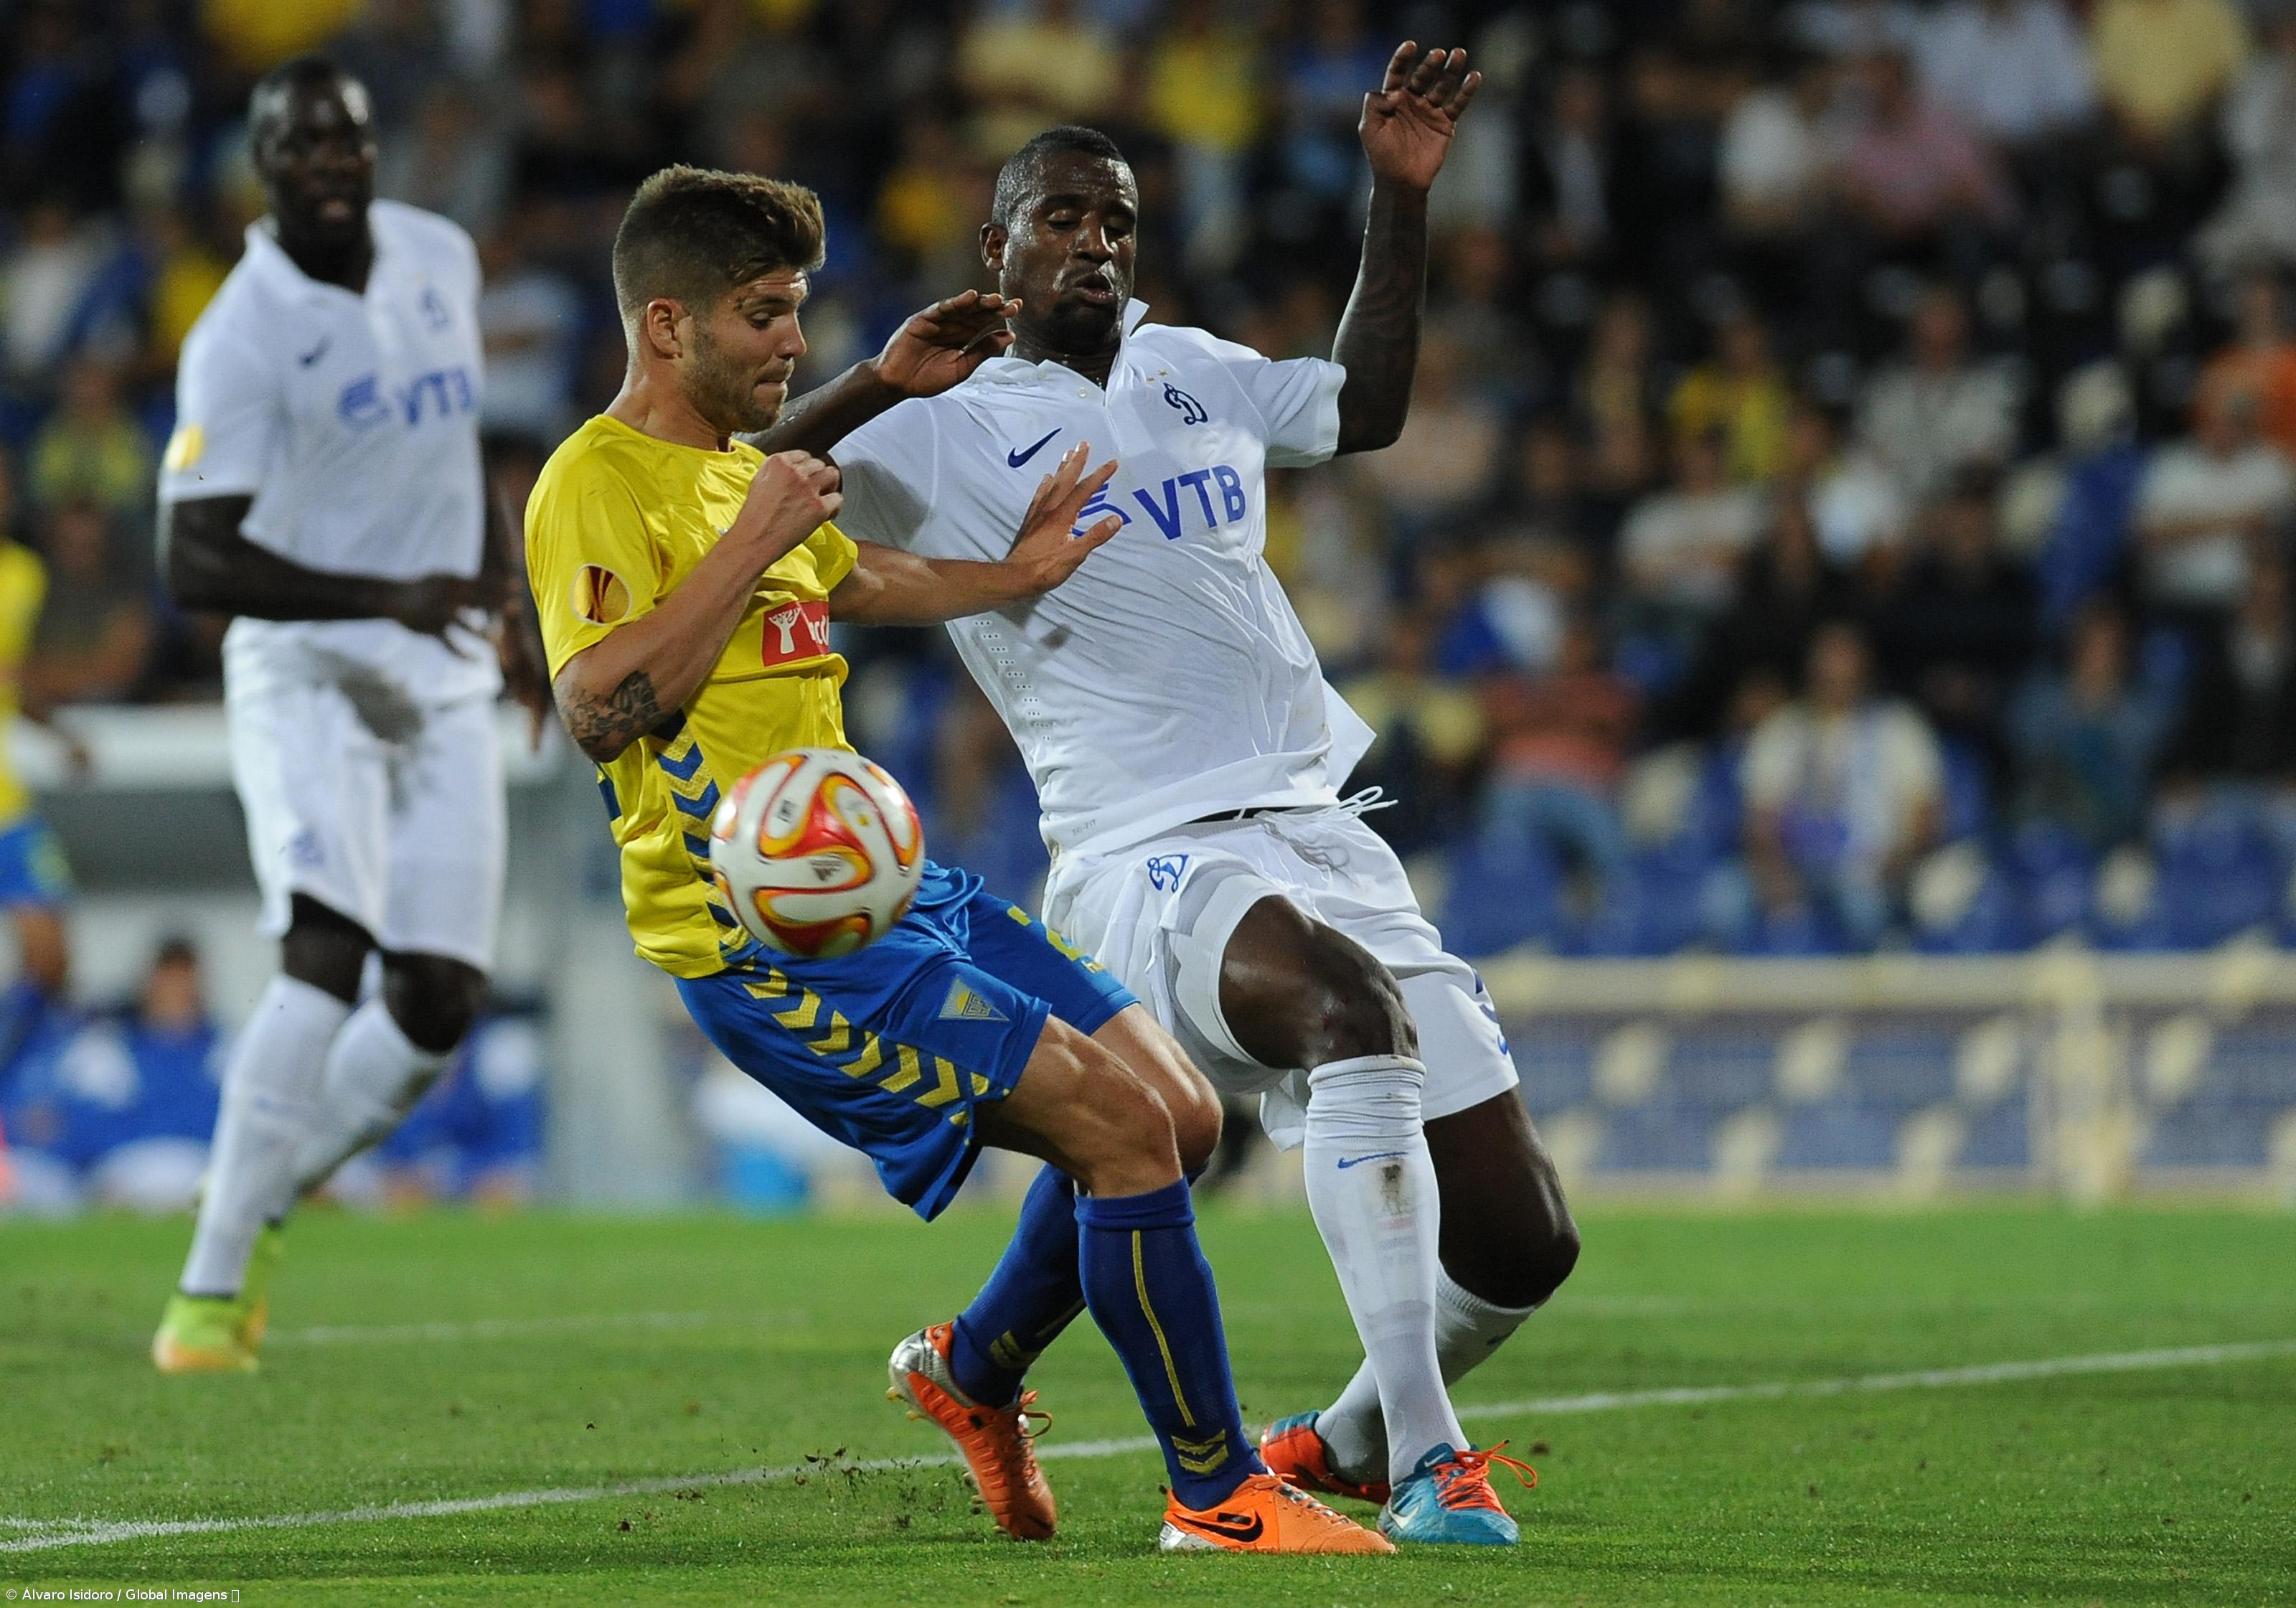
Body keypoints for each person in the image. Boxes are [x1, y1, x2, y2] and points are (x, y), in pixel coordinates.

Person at [526, 164, 1383, 1556]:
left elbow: (859, 579)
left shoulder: (736, 477)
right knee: (1115, 1133)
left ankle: (971, 1369)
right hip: (772, 936)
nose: (788, 341)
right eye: (761, 314)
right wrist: (753, 539)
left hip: (892, 881)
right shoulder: (598, 482)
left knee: (1182, 1118)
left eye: (797, 311)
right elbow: (602, 704)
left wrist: (1014, 571)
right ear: (667, 323)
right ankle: (1216, 1492)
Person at [820, 45, 1576, 1548]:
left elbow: (1361, 409)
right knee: (1340, 1016)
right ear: (996, 249)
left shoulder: (1198, 367)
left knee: (1519, 1240)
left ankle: (1340, 1437)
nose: (1092, 241)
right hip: (1139, 847)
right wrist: (861, 381)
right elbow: (724, 493)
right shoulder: (938, 426)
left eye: (1115, 220)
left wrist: (1396, 198)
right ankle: (1434, 1458)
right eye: (1058, 218)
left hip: (1317, 826)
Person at [149, 57, 549, 1374]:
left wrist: (512, 606)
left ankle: (251, 1194)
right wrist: (391, 589)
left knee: (437, 1000)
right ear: (260, 168)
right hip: (307, 667)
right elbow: (195, 561)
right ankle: (207, 1298)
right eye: (300, 145)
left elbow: (466, 447)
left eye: (350, 141)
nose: (330, 162)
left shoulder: (437, 256)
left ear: (375, 155)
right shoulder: (238, 336)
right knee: (326, 949)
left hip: (437, 667)